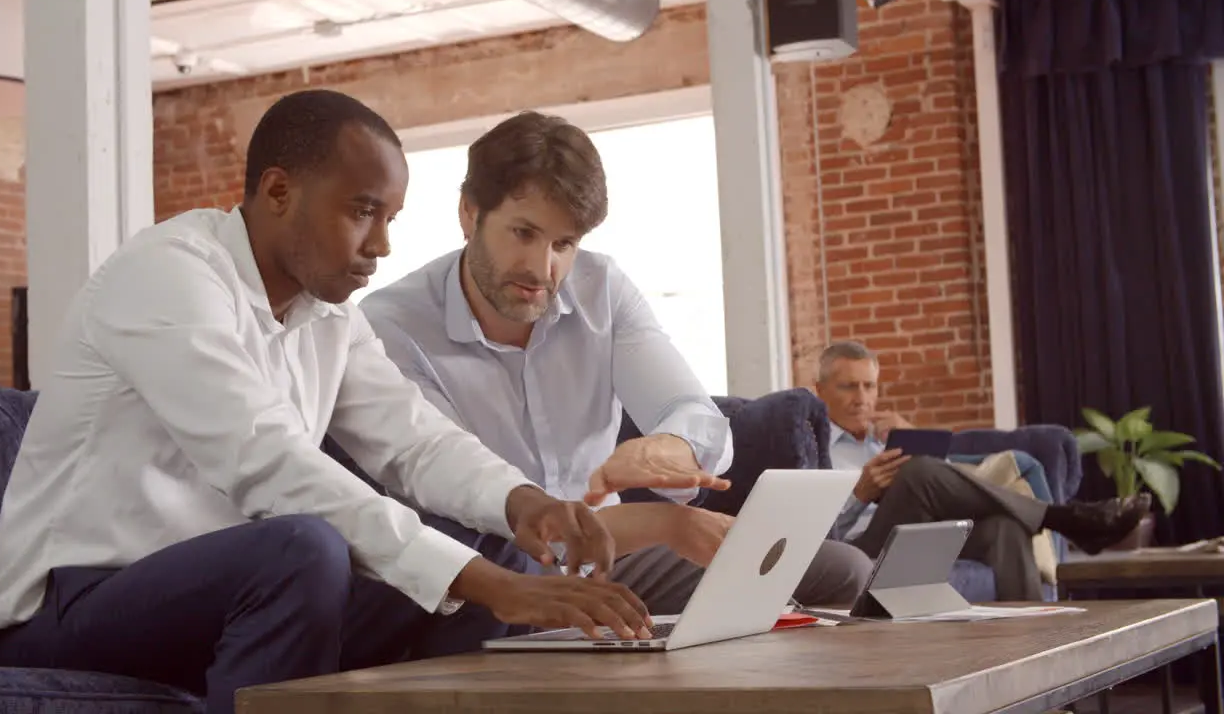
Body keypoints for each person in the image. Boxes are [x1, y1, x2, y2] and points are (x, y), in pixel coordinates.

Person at [0, 91, 716, 714]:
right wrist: (493, 585)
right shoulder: (167, 276)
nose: (383, 245)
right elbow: (268, 464)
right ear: (277, 191)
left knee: (483, 547)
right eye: (363, 211)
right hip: (67, 608)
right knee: (312, 549)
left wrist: (524, 506)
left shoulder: (326, 312)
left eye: (391, 217)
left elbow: (413, 440)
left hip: (225, 598)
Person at [360, 110, 874, 614]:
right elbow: (459, 492)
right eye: (523, 233)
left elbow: (694, 414)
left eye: (564, 243)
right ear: (470, 213)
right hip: (500, 564)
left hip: (612, 555)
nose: (543, 269)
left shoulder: (601, 288)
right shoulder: (393, 325)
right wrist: (665, 524)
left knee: (842, 571)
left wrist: (667, 447)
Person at [814, 341, 1151, 600]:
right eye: (848, 387)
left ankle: (1034, 648)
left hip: (922, 536)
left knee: (1004, 528)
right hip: (861, 550)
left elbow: (945, 493)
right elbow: (814, 538)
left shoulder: (887, 439)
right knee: (916, 473)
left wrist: (915, 438)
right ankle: (1064, 518)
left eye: (869, 386)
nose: (862, 398)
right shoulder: (812, 446)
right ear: (820, 390)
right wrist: (860, 494)